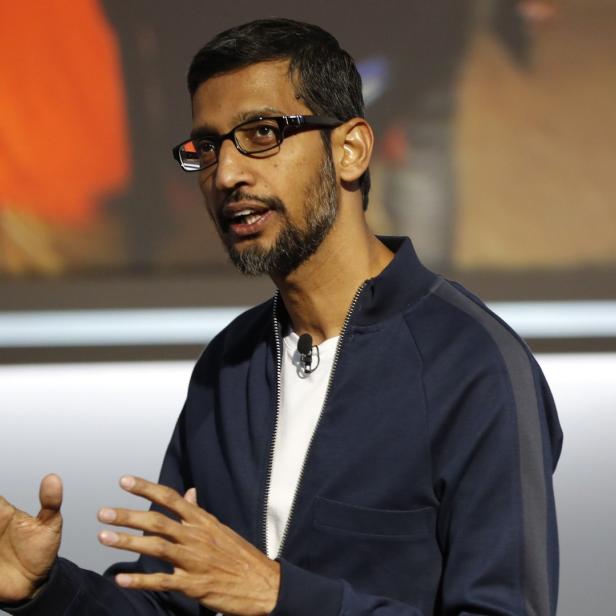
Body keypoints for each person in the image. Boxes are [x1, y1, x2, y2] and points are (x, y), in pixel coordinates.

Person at [0, 18, 562, 616]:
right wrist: (46, 588)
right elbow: (172, 601)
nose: (226, 174)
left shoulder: (475, 367)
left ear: (350, 150)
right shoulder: (231, 361)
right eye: (208, 147)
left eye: (262, 134)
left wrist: (280, 595)